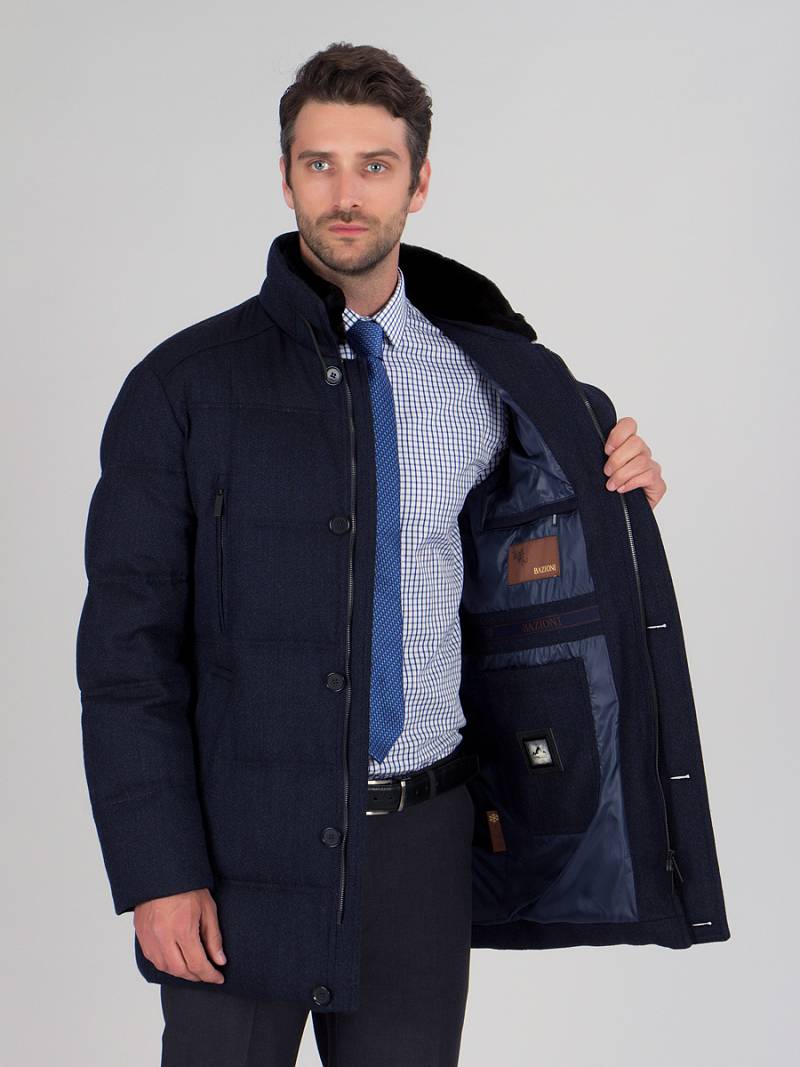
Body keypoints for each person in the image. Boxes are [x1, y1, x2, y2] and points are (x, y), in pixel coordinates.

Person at [76, 40, 729, 1067]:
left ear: (417, 183)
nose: (346, 194)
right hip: (242, 846)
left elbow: (543, 542)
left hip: (423, 838)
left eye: (374, 165)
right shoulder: (184, 386)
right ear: (285, 177)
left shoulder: (490, 374)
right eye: (320, 163)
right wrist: (158, 871)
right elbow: (126, 656)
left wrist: (619, 481)